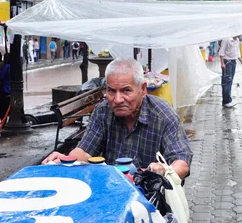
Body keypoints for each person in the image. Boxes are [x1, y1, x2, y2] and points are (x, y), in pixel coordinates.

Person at [42, 58, 193, 179]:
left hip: (151, 194)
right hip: (113, 188)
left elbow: (182, 162)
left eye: (126, 90)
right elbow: (85, 151)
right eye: (111, 91)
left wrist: (165, 170)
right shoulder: (103, 111)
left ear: (143, 89)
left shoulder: (163, 115)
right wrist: (66, 160)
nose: (118, 99)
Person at [219, 35, 242, 108]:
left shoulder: (237, 40)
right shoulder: (226, 39)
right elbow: (221, 52)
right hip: (227, 61)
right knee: (227, 81)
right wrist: (222, 63)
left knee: (230, 81)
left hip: (233, 61)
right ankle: (226, 101)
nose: (240, 35)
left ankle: (227, 100)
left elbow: (237, 52)